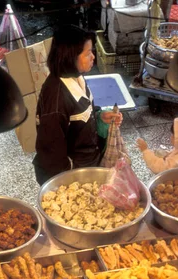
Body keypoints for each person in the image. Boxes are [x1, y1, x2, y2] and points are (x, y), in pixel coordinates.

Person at [33, 25, 122, 185]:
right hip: (74, 174)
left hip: (89, 161)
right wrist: (70, 185)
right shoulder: (56, 99)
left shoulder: (76, 77)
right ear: (70, 57)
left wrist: (100, 115)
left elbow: (82, 111)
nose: (93, 57)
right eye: (88, 53)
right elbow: (51, 152)